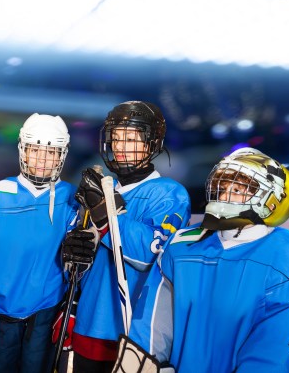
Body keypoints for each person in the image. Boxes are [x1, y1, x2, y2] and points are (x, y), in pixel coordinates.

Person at [114, 147, 289, 373]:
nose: (224, 196)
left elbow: (274, 352)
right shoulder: (180, 245)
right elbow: (152, 321)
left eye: (238, 189)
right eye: (222, 188)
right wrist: (144, 365)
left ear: (272, 201)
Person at [59, 101, 191, 373]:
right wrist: (74, 255)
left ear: (151, 143)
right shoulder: (99, 191)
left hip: (132, 331)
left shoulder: (168, 193)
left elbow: (150, 254)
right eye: (116, 138)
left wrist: (107, 216)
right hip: (88, 322)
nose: (120, 146)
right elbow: (80, 266)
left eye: (130, 138)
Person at [0, 113, 79, 373]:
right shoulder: (0, 192)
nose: (42, 159)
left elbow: (77, 259)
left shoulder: (70, 198)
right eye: (36, 150)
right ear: (23, 150)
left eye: (51, 152)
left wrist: (73, 304)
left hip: (46, 309)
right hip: (0, 307)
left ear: (62, 155)